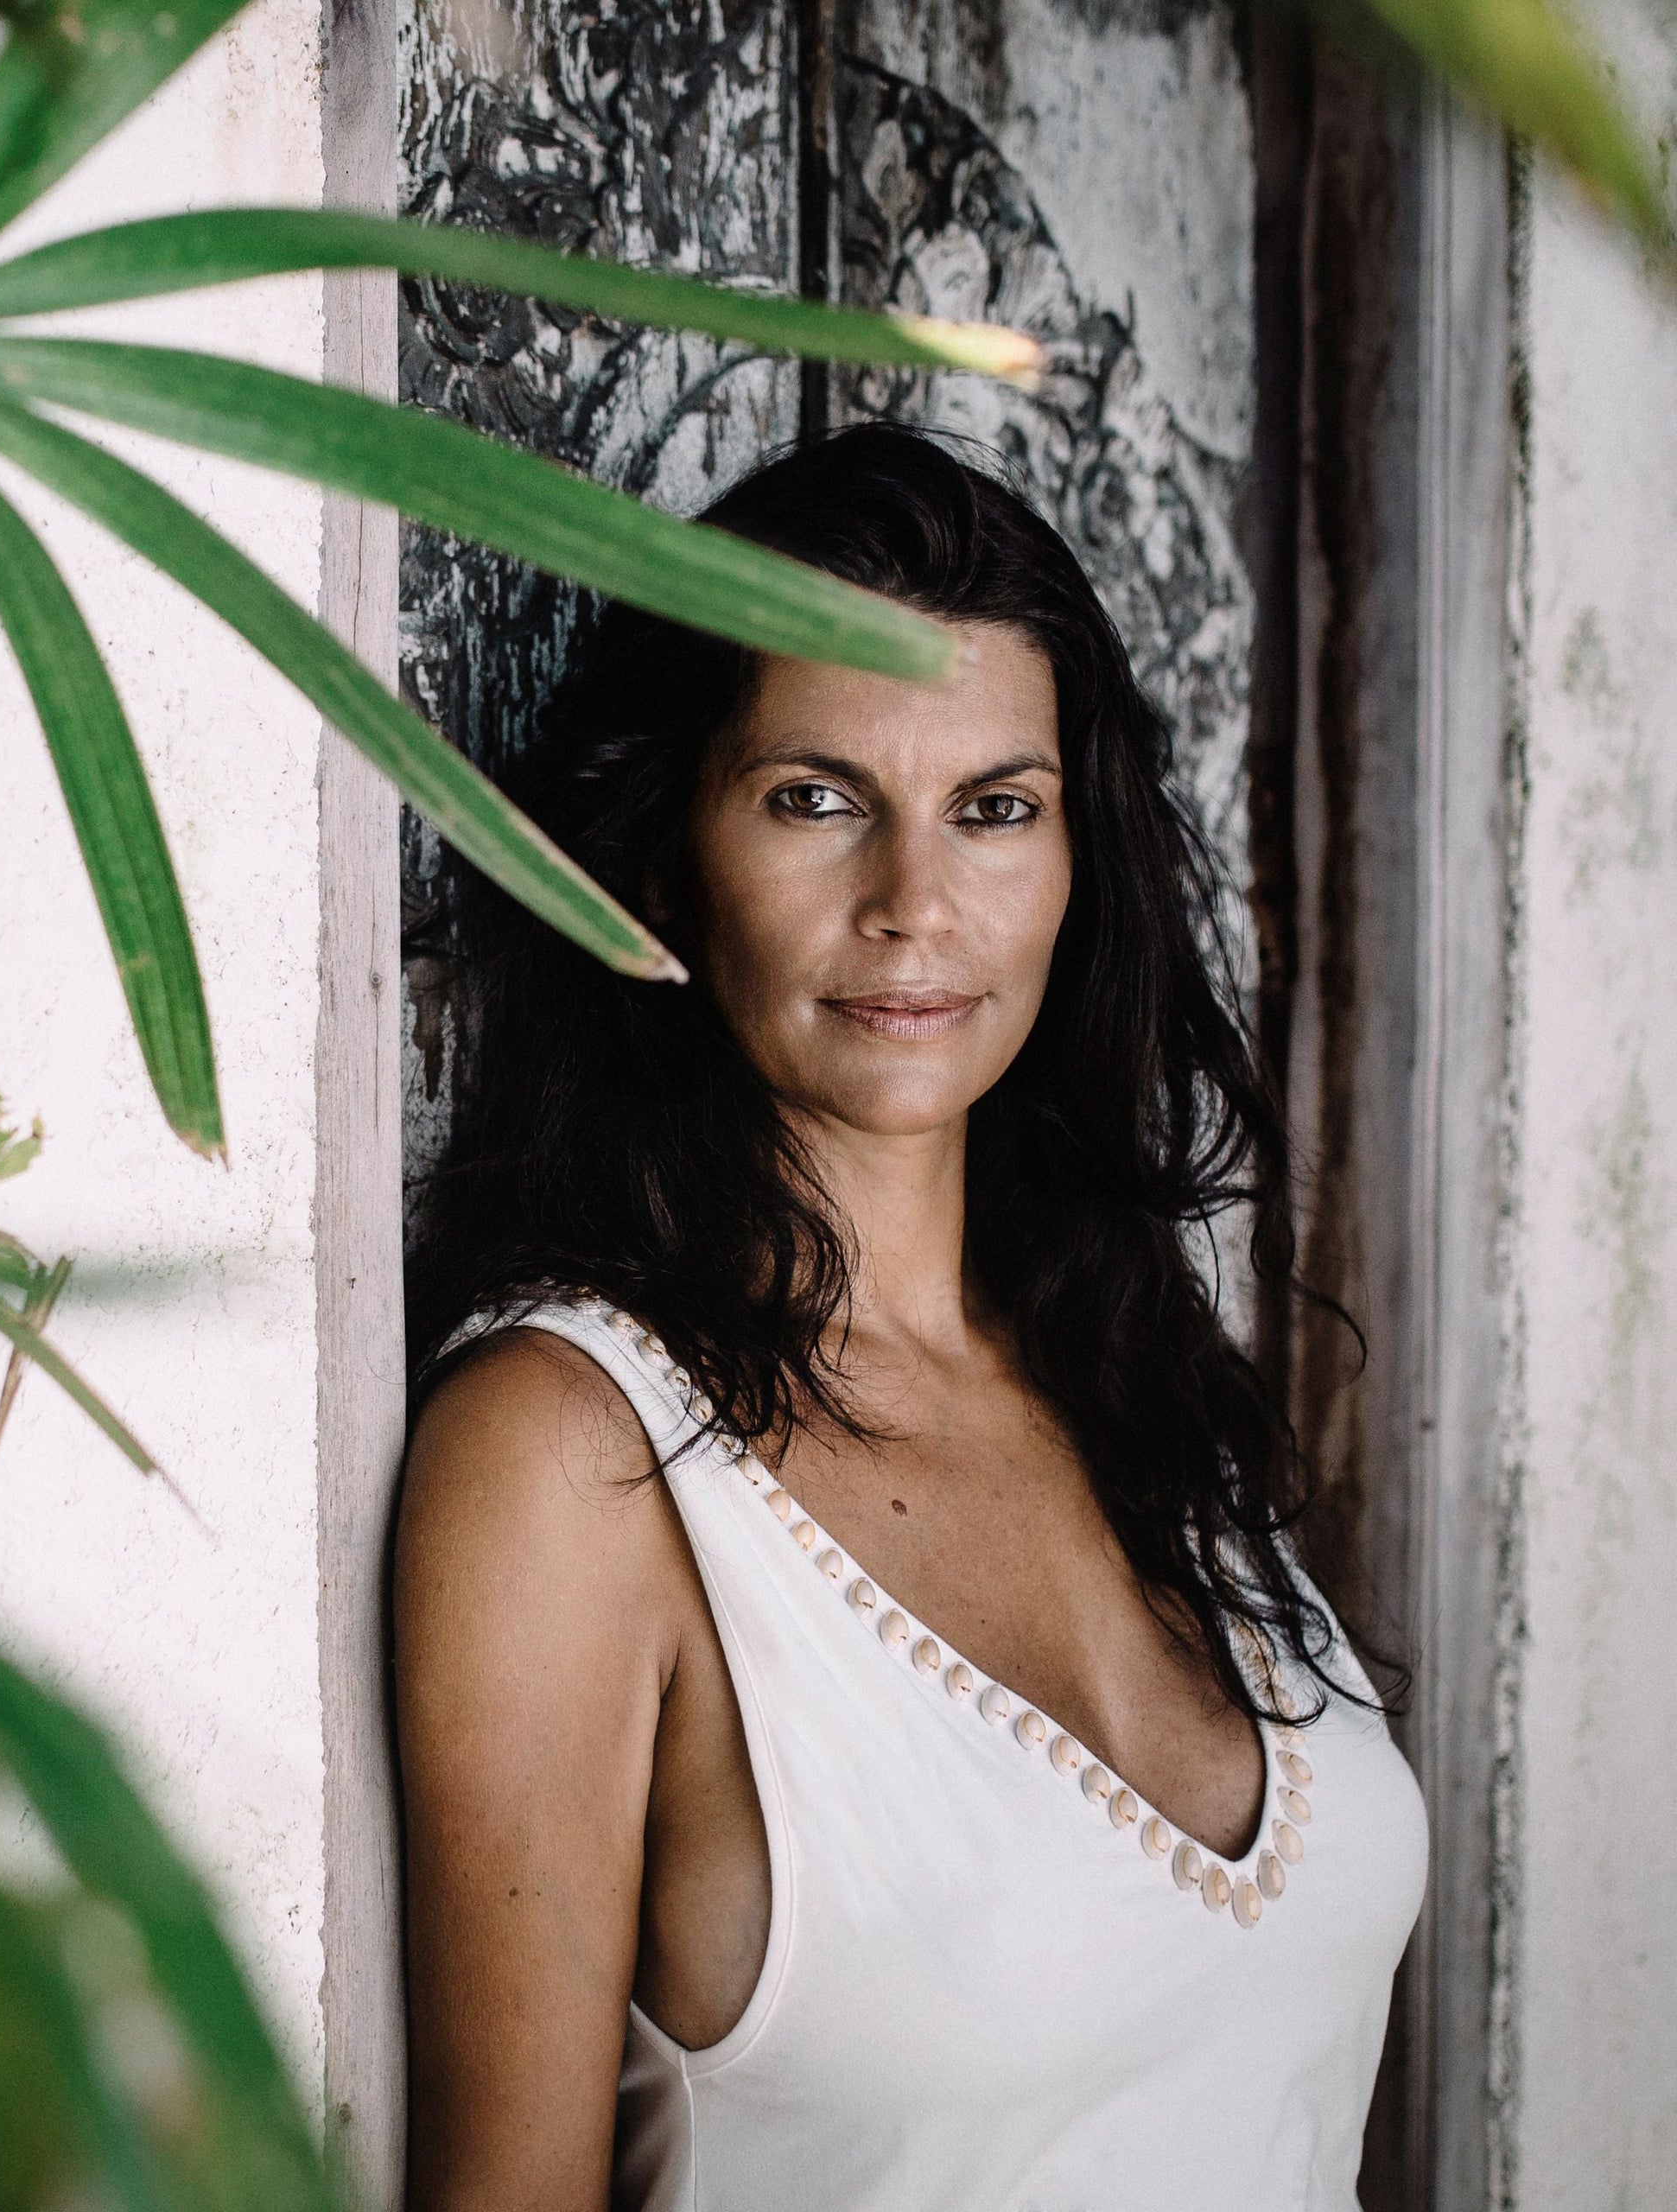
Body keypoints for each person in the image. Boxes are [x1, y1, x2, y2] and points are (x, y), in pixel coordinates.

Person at [392, 424, 1425, 2211]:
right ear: (663, 855)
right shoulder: (571, 1458)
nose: (916, 906)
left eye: (997, 807)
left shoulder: (1129, 1367)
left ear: (1078, 859)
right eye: (815, 795)